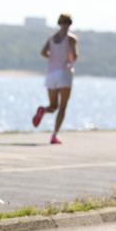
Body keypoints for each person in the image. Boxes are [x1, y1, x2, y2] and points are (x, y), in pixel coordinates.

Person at [32, 13, 79, 144]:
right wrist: (67, 59)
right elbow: (75, 56)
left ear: (59, 23)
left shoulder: (51, 38)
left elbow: (43, 52)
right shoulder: (72, 38)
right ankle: (54, 135)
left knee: (53, 106)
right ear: (70, 24)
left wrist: (52, 58)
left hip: (51, 74)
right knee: (62, 107)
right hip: (65, 73)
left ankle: (42, 110)